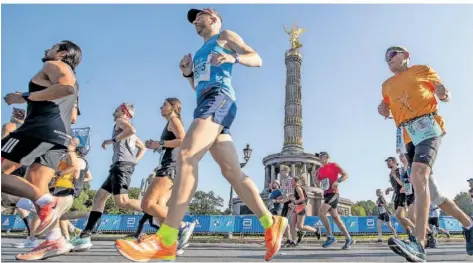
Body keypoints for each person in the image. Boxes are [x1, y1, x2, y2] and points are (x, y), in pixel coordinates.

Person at [115, 8, 287, 262]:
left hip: (220, 98)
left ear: (214, 19)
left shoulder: (225, 37)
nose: (195, 20)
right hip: (206, 100)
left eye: (200, 16)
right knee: (231, 171)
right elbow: (199, 85)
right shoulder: (198, 54)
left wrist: (233, 59)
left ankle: (167, 238)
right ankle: (270, 221)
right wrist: (188, 74)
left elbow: (256, 58)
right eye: (194, 19)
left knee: (186, 153)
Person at [379, 46, 473, 261]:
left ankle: (419, 244)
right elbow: (386, 106)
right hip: (408, 135)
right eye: (386, 58)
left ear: (405, 56)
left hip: (428, 126)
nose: (388, 59)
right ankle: (469, 225)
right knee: (436, 195)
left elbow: (442, 91)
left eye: (392, 54)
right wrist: (382, 109)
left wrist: (444, 93)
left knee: (418, 173)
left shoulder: (422, 70)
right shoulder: (386, 85)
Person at [2, 40, 81, 240]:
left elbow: (65, 88)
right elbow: (72, 116)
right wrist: (26, 98)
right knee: (37, 184)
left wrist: (27, 96)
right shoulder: (76, 80)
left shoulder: (53, 65)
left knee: (38, 194)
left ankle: (48, 203)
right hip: (61, 136)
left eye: (53, 47)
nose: (47, 49)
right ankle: (55, 239)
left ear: (63, 54)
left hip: (38, 130)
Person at [116, 98, 196, 254]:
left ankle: (182, 226)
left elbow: (182, 140)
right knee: (159, 205)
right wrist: (157, 145)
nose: (161, 107)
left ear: (174, 107)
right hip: (170, 166)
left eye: (164, 105)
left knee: (147, 204)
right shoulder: (170, 122)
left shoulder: (174, 120)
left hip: (170, 167)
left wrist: (160, 144)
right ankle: (168, 241)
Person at [74, 103, 146, 248]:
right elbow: (143, 147)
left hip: (121, 165)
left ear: (124, 112)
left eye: (118, 109)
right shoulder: (128, 132)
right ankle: (86, 235)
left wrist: (111, 140)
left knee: (122, 202)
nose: (115, 111)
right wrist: (133, 162)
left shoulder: (121, 122)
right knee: (99, 197)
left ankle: (154, 211)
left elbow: (132, 129)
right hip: (120, 165)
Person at [15, 137, 80, 260]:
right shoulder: (62, 153)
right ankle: (55, 238)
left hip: (63, 187)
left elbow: (75, 168)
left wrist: (59, 173)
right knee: (46, 208)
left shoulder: (70, 153)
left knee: (50, 208)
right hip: (54, 185)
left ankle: (58, 237)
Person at [313, 151, 355, 250]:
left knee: (321, 213)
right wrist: (314, 177)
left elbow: (345, 174)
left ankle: (330, 237)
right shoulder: (319, 170)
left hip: (334, 193)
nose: (320, 158)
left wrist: (338, 181)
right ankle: (349, 238)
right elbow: (318, 184)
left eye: (322, 156)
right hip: (326, 194)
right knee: (336, 218)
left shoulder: (333, 165)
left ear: (327, 157)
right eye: (319, 156)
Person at [384, 157, 416, 237]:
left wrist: (395, 177)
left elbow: (404, 184)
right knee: (399, 217)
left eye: (389, 161)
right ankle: (410, 234)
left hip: (403, 194)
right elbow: (396, 186)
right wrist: (389, 189)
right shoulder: (390, 174)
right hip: (397, 195)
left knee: (399, 215)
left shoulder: (400, 170)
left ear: (394, 162)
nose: (387, 163)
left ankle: (415, 229)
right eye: (387, 162)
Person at [289, 177, 320, 245]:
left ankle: (315, 230)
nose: (290, 182)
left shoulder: (298, 187)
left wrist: (294, 202)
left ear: (296, 181)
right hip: (296, 207)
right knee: (292, 225)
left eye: (292, 181)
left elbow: (302, 198)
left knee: (300, 226)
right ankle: (294, 241)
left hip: (301, 207)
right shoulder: (295, 188)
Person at [278, 165, 296, 247]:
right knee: (284, 220)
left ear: (286, 171)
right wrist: (280, 198)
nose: (280, 172)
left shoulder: (292, 180)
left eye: (281, 170)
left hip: (291, 201)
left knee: (285, 220)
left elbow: (295, 191)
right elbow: (284, 193)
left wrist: (289, 196)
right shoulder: (283, 181)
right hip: (286, 202)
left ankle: (291, 239)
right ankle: (289, 239)